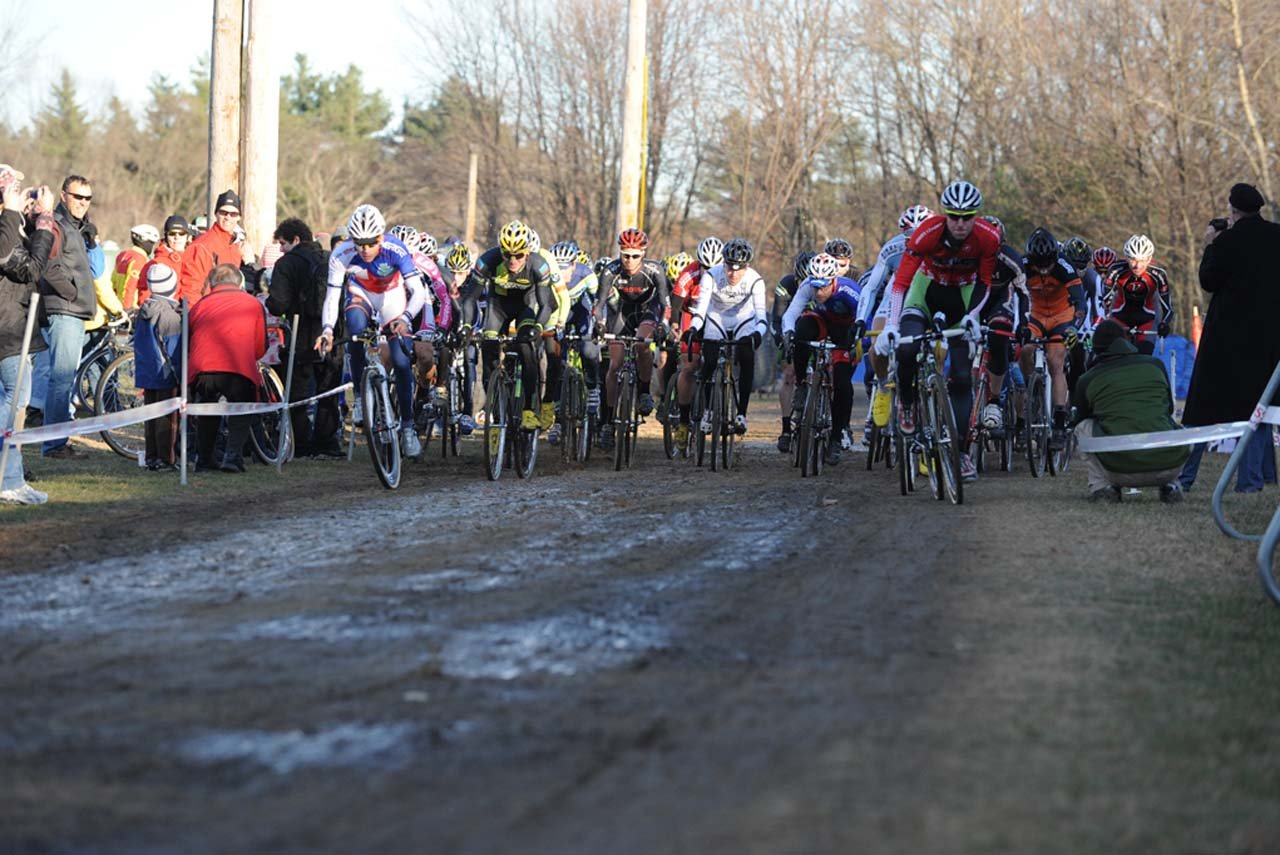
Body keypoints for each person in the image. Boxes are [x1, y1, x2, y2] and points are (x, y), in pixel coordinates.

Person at [885, 180, 1001, 480]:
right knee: (907, 347)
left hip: (963, 296)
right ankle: (908, 404)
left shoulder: (988, 237)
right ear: (945, 214)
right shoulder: (927, 232)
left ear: (976, 215)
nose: (961, 224)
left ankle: (960, 454)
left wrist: (973, 316)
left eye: (968, 217)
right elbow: (900, 284)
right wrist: (892, 326)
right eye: (954, 216)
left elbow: (986, 283)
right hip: (925, 290)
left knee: (962, 377)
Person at [1179, 182, 1280, 493]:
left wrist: (1210, 244)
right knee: (1258, 409)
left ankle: (1184, 477)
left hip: (1226, 339)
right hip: (1267, 339)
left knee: (1201, 408)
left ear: (1233, 211)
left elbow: (1209, 280)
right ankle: (1251, 481)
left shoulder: (1228, 242)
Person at [316, 204, 426, 458]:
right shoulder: (341, 254)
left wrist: (407, 318)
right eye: (359, 243)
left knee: (400, 360)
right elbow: (332, 297)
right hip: (361, 294)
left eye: (370, 243)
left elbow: (418, 291)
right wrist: (328, 330)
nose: (364, 249)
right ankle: (360, 397)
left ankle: (408, 427)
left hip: (391, 297)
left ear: (380, 237)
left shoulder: (395, 248)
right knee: (354, 328)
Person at [1072, 320, 1187, 503]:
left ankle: (1102, 488)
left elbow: (1080, 418)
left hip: (1119, 470)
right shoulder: (1155, 365)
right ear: (1126, 341)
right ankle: (1170, 485)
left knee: (1083, 427)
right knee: (1172, 424)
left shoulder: (1088, 379)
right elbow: (1169, 409)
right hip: (1170, 464)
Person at [0, 165, 56, 504]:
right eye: (16, 188)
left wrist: (32, 221)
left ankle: (11, 476)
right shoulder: (5, 227)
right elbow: (27, 266)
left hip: (12, 328)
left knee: (8, 406)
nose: (24, 194)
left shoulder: (10, 225)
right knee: (13, 406)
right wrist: (44, 219)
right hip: (8, 332)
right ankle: (10, 481)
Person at [266, 217, 343, 458]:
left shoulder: (286, 264)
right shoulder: (332, 259)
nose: (280, 249)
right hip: (333, 333)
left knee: (298, 391)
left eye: (282, 243)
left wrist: (270, 301)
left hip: (301, 334)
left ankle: (301, 443)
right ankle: (327, 443)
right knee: (329, 390)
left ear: (296, 240)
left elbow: (278, 303)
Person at [35, 175, 97, 459]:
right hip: (64, 310)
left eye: (87, 198)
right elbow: (48, 267)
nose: (83, 203)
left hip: (73, 311)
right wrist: (71, 294)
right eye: (77, 197)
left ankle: (55, 442)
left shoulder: (75, 227)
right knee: (60, 379)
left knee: (63, 379)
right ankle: (55, 445)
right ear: (63, 196)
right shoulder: (58, 225)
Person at [781, 252, 861, 465]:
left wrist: (858, 342)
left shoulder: (849, 291)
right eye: (815, 286)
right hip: (822, 322)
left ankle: (835, 438)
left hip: (846, 329)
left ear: (833, 280)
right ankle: (801, 386)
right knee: (801, 330)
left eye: (823, 287)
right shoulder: (808, 285)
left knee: (843, 385)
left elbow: (865, 317)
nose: (818, 292)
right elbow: (791, 313)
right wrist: (788, 333)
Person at [593, 227, 668, 449]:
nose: (630, 260)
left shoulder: (654, 270)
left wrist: (663, 324)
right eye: (625, 255)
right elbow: (599, 303)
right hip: (622, 314)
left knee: (642, 347)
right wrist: (599, 323)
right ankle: (607, 422)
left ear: (643, 253)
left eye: (635, 255)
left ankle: (644, 393)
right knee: (614, 366)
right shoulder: (611, 270)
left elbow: (665, 303)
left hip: (647, 312)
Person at [188, 263, 267, 472]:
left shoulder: (199, 305)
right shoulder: (253, 303)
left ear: (212, 284)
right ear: (239, 282)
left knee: (206, 406)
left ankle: (204, 459)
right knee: (241, 407)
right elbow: (260, 346)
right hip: (238, 367)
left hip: (202, 368)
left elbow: (188, 340)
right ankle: (232, 457)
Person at [686, 237, 767, 435]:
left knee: (747, 357)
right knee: (710, 360)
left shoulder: (755, 280)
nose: (732, 273)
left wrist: (757, 335)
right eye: (729, 267)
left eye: (738, 269)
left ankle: (741, 414)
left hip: (743, 319)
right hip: (717, 317)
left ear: (746, 266)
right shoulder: (711, 276)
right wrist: (693, 328)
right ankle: (707, 411)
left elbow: (761, 315)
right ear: (723, 263)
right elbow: (701, 310)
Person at [132, 264, 183, 470]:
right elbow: (174, 349)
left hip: (147, 371)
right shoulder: (170, 316)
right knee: (167, 419)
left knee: (151, 418)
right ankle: (166, 459)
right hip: (165, 374)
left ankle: (152, 456)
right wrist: (181, 374)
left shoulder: (145, 309)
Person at [1102, 234, 1171, 355]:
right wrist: (1106, 317)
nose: (1137, 265)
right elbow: (1105, 298)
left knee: (1144, 357)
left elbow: (1168, 307)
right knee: (1116, 357)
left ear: (1149, 259)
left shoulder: (1158, 274)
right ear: (1126, 257)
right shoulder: (1116, 270)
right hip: (1120, 316)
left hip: (1146, 318)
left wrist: (1164, 323)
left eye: (1143, 260)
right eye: (1133, 259)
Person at [179, 190, 244, 307]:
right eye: (223, 212)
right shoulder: (201, 246)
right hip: (208, 313)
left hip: (230, 311)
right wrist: (195, 317)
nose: (228, 217)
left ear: (239, 217)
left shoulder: (235, 249)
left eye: (233, 214)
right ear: (216, 214)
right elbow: (190, 288)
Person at [137, 216, 190, 307]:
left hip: (192, 311)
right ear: (166, 236)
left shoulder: (195, 259)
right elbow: (144, 296)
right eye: (172, 233)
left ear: (187, 236)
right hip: (166, 313)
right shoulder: (156, 264)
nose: (177, 238)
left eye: (181, 233)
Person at [115, 224, 157, 311]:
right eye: (152, 243)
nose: (152, 247)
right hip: (132, 308)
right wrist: (128, 308)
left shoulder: (122, 255)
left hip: (117, 306)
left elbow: (113, 283)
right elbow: (131, 285)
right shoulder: (140, 259)